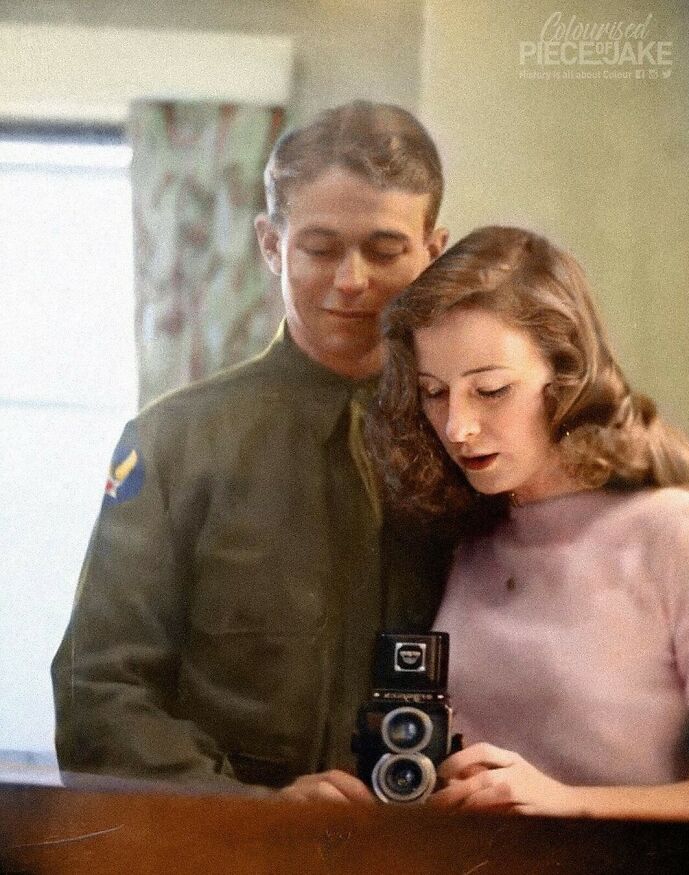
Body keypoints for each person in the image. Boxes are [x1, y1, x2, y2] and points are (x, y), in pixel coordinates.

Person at [51, 101, 450, 796]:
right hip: (233, 841)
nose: (352, 280)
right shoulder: (174, 444)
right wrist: (252, 811)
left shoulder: (473, 445)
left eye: (385, 251)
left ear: (433, 252)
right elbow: (99, 694)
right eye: (320, 248)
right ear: (271, 244)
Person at [366, 225, 689, 819]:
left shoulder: (678, 536)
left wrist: (570, 803)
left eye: (491, 390)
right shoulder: (463, 540)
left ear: (566, 377)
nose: (457, 427)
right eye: (434, 393)